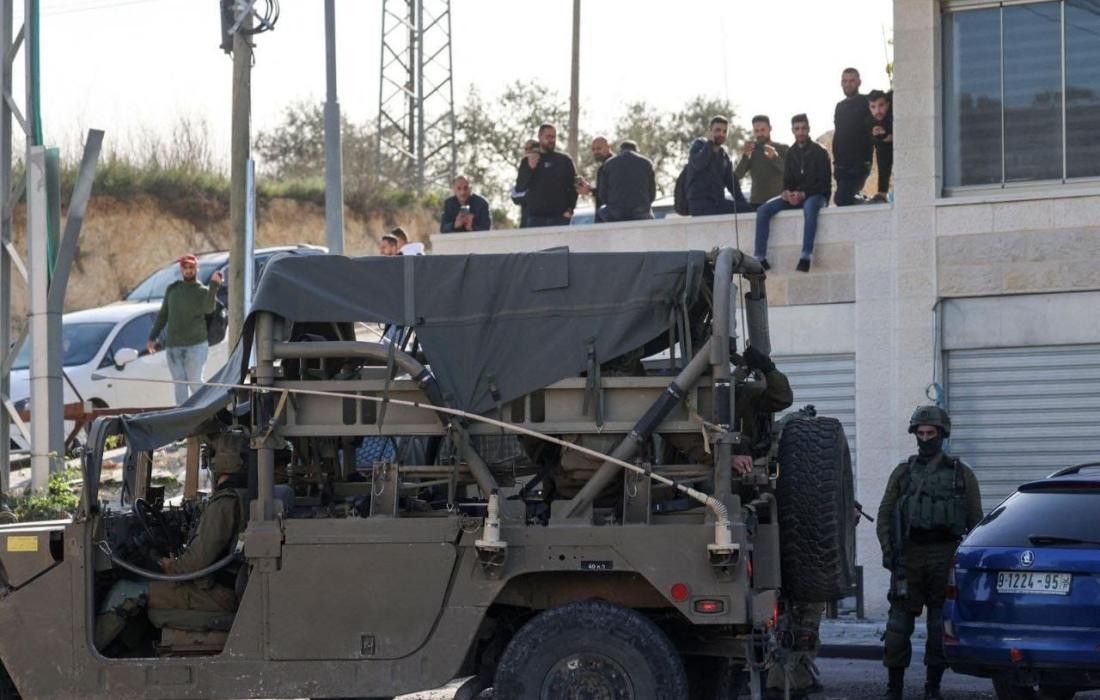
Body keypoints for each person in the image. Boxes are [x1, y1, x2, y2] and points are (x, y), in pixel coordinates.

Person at [94, 429, 249, 651]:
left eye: (211, 454)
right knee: (142, 583)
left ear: (223, 460)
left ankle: (92, 654)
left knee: (125, 590)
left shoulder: (225, 503)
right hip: (224, 587)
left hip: (218, 594)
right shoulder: (243, 496)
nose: (208, 461)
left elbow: (194, 564)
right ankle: (130, 649)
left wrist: (172, 566)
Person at [876, 406, 983, 700]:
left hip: (944, 555)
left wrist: (966, 564)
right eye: (920, 433)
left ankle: (932, 687)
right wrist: (889, 552)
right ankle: (894, 688)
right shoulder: (903, 473)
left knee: (938, 627)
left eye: (930, 433)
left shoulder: (961, 474)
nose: (925, 438)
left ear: (942, 434)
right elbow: (885, 515)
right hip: (909, 557)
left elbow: (976, 522)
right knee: (897, 627)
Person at [753, 114, 832, 273]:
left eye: (803, 128)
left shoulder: (820, 152)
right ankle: (760, 258)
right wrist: (787, 193)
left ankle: (805, 255)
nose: (800, 132)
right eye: (797, 129)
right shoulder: (791, 153)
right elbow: (787, 181)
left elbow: (824, 184)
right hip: (795, 196)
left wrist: (803, 194)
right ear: (792, 131)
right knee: (763, 210)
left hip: (817, 196)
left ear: (808, 129)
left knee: (810, 207)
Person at [146, 254, 223, 405]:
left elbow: (209, 309)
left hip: (196, 345)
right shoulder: (172, 289)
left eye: (191, 267)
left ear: (197, 268)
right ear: (181, 269)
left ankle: (206, 410)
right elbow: (163, 314)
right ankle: (183, 414)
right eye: (185, 267)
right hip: (174, 346)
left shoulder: (203, 291)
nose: (188, 270)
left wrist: (214, 285)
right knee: (180, 384)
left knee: (195, 382)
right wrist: (152, 337)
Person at [514, 123, 578, 228]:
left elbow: (573, 187)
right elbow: (520, 188)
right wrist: (530, 168)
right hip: (535, 219)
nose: (551, 140)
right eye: (548, 137)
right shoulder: (527, 160)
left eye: (553, 137)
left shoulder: (564, 161)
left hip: (560, 218)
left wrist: (570, 209)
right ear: (539, 137)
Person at [686, 116, 751, 216]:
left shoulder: (723, 155)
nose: (721, 134)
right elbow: (699, 164)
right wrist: (710, 143)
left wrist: (744, 205)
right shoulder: (699, 145)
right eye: (718, 130)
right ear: (710, 131)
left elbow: (732, 184)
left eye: (725, 131)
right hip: (700, 204)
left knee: (749, 209)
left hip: (718, 203)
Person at [832, 68, 873, 206]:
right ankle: (863, 200)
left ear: (859, 82)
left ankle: (869, 204)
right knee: (844, 201)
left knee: (841, 199)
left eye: (852, 81)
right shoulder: (839, 107)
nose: (848, 84)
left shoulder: (867, 102)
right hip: (841, 167)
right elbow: (839, 133)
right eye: (845, 81)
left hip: (859, 164)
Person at [591, 140, 656, 223]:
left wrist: (614, 205)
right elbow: (652, 193)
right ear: (636, 150)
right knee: (651, 218)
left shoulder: (608, 164)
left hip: (616, 212)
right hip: (640, 211)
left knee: (600, 213)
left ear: (621, 150)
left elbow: (602, 194)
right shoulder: (647, 163)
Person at [734, 115, 789, 209]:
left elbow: (791, 173)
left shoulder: (782, 148)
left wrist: (775, 157)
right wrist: (745, 156)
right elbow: (737, 176)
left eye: (763, 130)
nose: (760, 134)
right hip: (756, 203)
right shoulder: (751, 151)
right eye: (757, 131)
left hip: (779, 202)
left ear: (770, 128)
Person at [868, 89, 893, 203]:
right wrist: (877, 135)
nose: (877, 111)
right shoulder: (869, 120)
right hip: (884, 149)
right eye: (873, 107)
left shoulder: (895, 111)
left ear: (888, 104)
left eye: (881, 105)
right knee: (882, 149)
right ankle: (882, 193)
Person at [576, 136, 614, 211]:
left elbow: (611, 193)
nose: (596, 152)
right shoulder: (604, 166)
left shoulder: (613, 166)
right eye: (593, 149)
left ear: (608, 147)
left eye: (599, 148)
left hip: (610, 214)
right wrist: (589, 189)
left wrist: (590, 190)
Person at [510, 139, 539, 228]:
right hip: (527, 216)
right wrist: (530, 168)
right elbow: (518, 190)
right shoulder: (524, 163)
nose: (528, 151)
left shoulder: (547, 162)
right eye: (526, 149)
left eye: (531, 148)